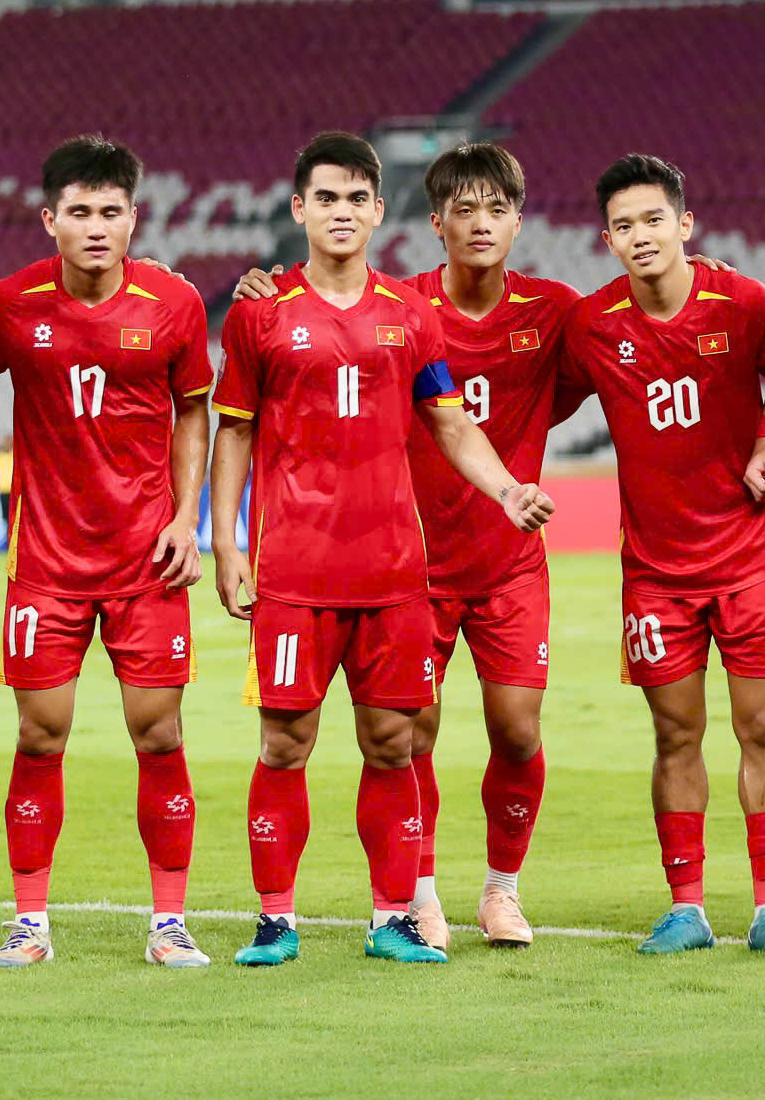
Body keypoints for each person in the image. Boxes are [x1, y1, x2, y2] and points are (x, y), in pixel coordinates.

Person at [210, 131, 555, 968]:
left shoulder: (412, 315)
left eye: (356, 197)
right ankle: (276, 920)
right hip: (293, 570)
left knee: (392, 744)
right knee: (283, 744)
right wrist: (222, 541)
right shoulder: (260, 313)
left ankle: (394, 918)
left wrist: (505, 486)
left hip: (397, 572)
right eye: (324, 197)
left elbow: (447, 420)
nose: (340, 211)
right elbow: (234, 433)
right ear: (299, 209)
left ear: (378, 210)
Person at [0, 135, 215, 969]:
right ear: (50, 219)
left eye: (112, 213)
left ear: (135, 218)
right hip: (47, 562)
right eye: (80, 213)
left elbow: (193, 408)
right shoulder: (12, 303)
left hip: (145, 559)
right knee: (41, 735)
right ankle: (29, 924)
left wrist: (185, 517)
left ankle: (168, 923)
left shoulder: (174, 303)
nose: (97, 227)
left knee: (157, 733)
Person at [560, 155, 765, 960]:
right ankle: (687, 906)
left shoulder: (742, 301)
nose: (641, 237)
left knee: (762, 728)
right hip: (656, 572)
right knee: (675, 737)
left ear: (685, 224)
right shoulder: (593, 324)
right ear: (607, 239)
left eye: (653, 221)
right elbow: (528, 379)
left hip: (749, 557)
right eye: (625, 227)